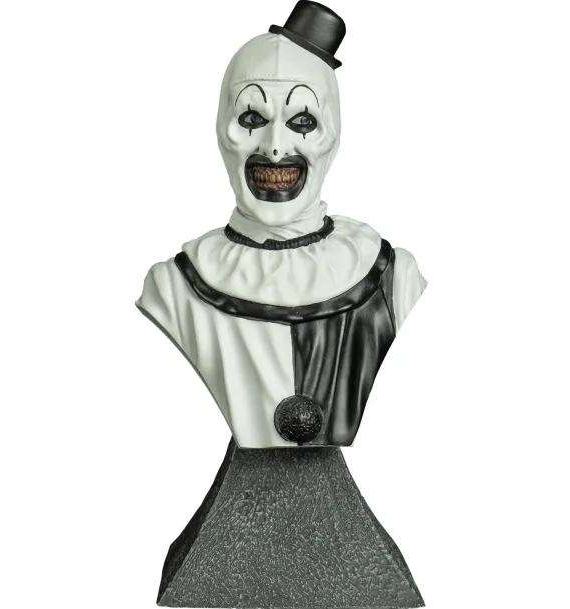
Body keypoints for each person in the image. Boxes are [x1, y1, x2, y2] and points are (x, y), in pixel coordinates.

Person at [137, 2, 427, 607]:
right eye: (251, 118)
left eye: (301, 121)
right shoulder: (179, 285)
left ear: (332, 132)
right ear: (221, 127)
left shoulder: (387, 274)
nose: (274, 149)